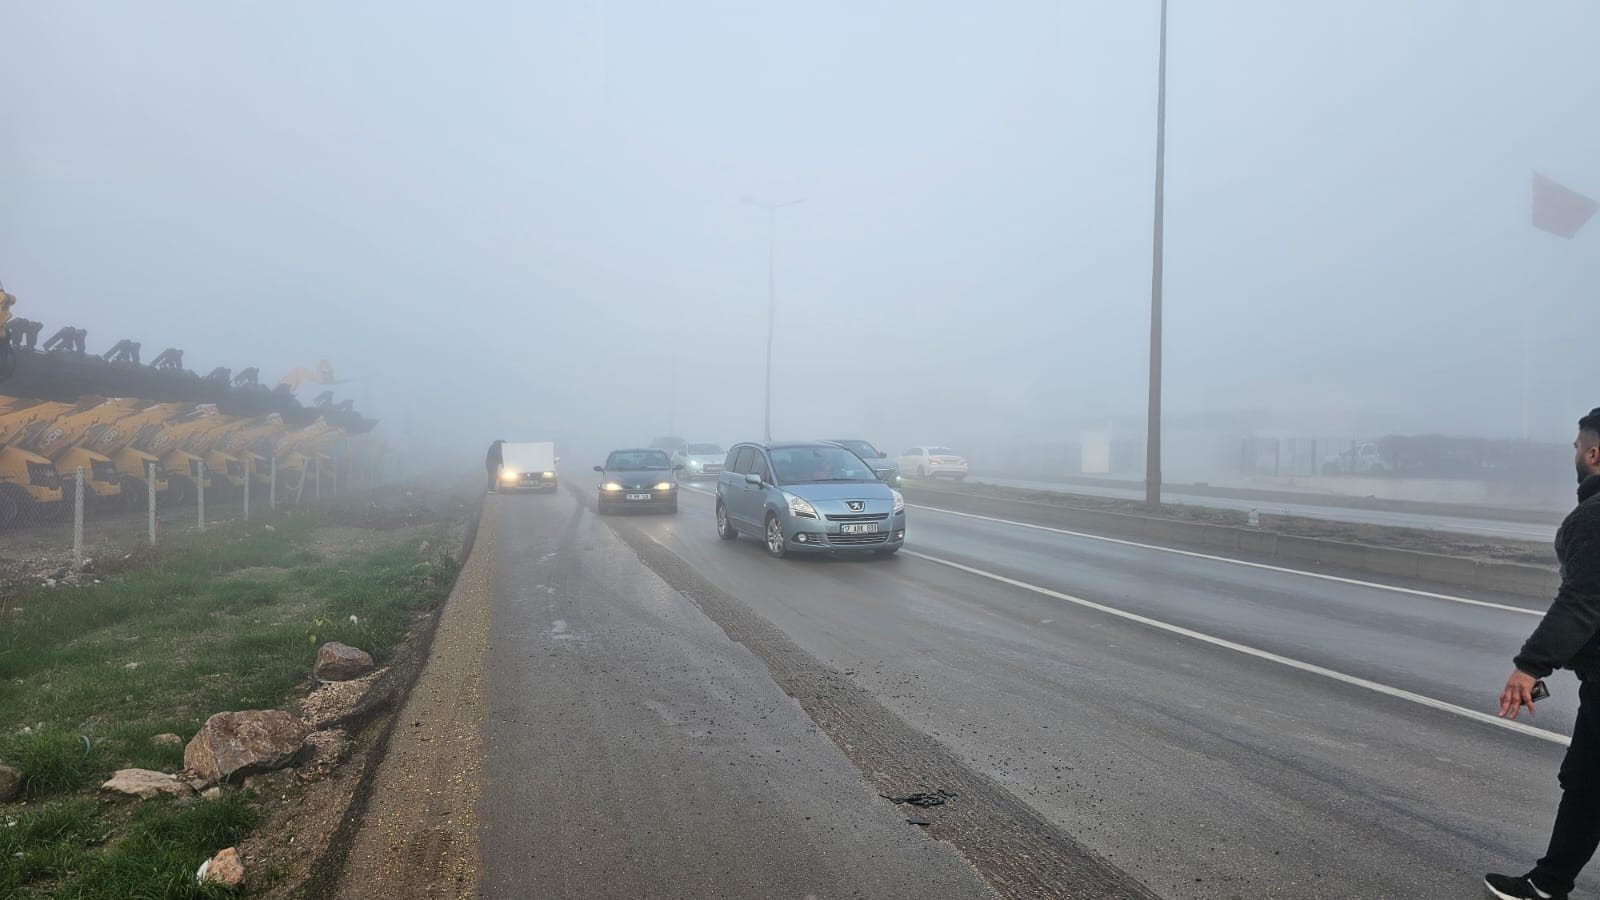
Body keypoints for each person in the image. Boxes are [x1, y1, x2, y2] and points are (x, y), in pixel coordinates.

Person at [1488, 408, 1600, 900]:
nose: (1574, 455)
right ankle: (1549, 881)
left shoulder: (1595, 517)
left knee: (1588, 780)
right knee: (1589, 780)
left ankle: (1548, 883)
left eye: (1577, 447)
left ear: (1594, 453)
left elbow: (1584, 599)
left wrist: (1530, 666)